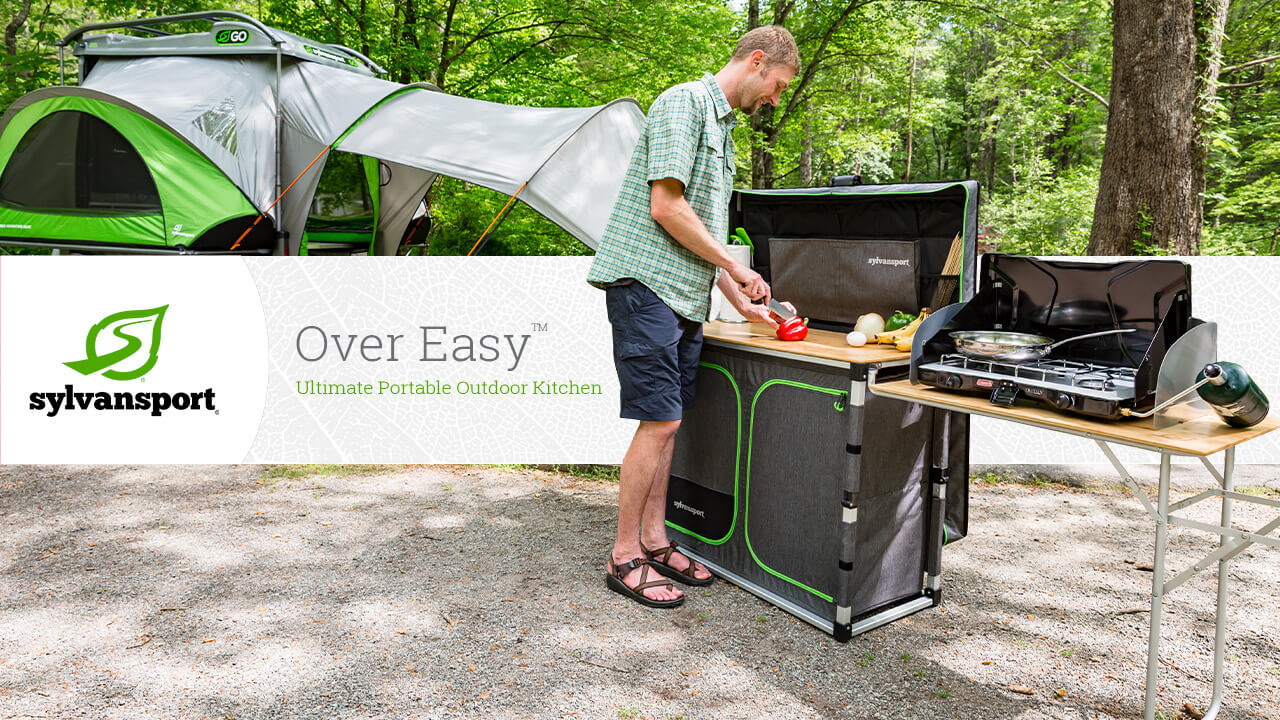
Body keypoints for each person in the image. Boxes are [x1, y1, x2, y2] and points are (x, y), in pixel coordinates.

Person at [587, 26, 800, 608]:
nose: (775, 98)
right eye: (778, 85)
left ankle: (655, 539)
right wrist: (740, 269)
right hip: (646, 284)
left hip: (683, 296)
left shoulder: (724, 130)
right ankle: (624, 554)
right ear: (758, 62)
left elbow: (700, 233)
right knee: (657, 422)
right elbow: (667, 207)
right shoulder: (684, 103)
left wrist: (747, 304)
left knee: (671, 422)